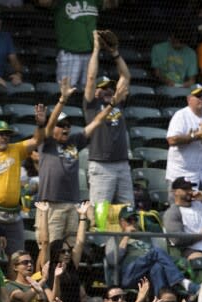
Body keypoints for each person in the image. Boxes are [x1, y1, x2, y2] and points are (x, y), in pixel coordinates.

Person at [37, 78, 122, 245]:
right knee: (49, 248)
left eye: (68, 125)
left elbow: (97, 122)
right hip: (51, 206)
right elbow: (49, 125)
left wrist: (111, 105)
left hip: (72, 204)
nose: (66, 128)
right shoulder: (46, 142)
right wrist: (63, 99)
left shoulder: (74, 141)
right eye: (61, 125)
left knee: (71, 250)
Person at [0, 113, 45, 258]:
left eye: (7, 134)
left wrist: (40, 125)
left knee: (18, 258)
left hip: (14, 214)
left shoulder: (16, 149)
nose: (5, 137)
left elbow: (37, 140)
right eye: (1, 134)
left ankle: (14, 281)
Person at [84, 31, 132, 206]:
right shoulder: (92, 105)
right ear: (96, 91)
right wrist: (96, 49)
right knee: (100, 214)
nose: (107, 91)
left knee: (128, 212)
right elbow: (90, 78)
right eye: (102, 88)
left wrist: (114, 53)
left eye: (110, 87)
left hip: (122, 164)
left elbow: (126, 77)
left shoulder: (117, 102)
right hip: (101, 165)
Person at [106, 206, 195, 295]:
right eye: (129, 220)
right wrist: (126, 237)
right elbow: (112, 261)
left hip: (147, 273)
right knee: (156, 251)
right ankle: (181, 281)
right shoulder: (115, 238)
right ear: (122, 222)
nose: (133, 222)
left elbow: (160, 256)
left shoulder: (146, 236)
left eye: (135, 219)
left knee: (157, 267)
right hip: (129, 276)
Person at [37, 0, 115, 89]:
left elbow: (112, 4)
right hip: (69, 53)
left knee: (89, 92)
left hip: (90, 54)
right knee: (66, 93)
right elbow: (43, 2)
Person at [165, 85, 202, 192]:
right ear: (189, 99)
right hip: (181, 174)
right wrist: (195, 136)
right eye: (198, 96)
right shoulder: (181, 115)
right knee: (181, 207)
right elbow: (172, 140)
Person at [162, 177, 202, 259]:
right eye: (185, 189)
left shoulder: (199, 204)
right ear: (175, 192)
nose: (190, 191)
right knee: (200, 259)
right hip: (191, 249)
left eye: (191, 188)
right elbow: (177, 239)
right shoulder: (172, 212)